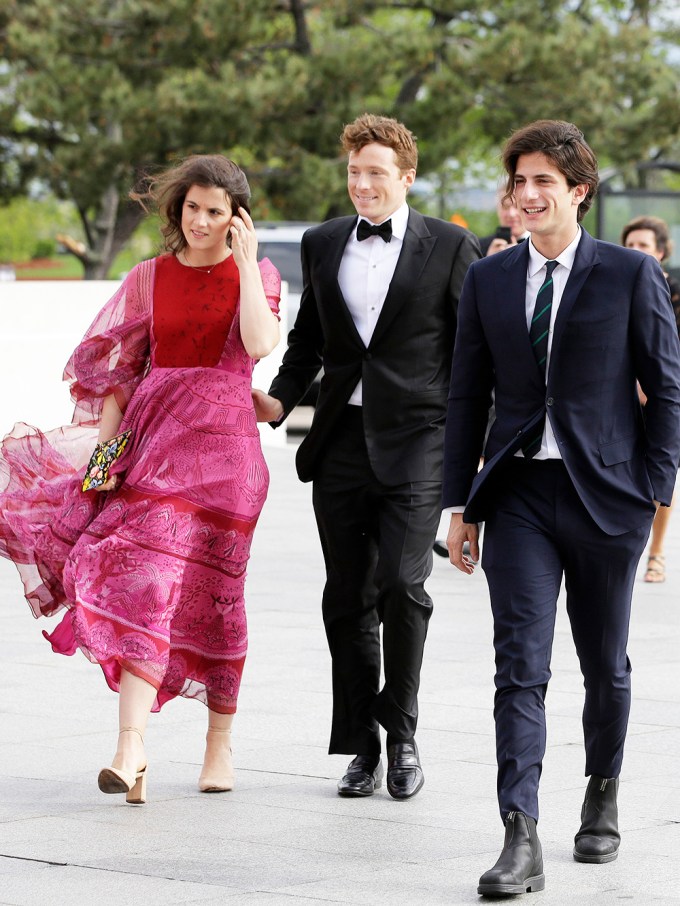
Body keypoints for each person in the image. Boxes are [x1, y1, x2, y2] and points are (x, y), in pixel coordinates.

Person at [443, 120, 680, 896]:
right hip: (517, 499)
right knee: (520, 667)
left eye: (546, 180)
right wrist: (460, 503)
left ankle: (602, 792)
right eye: (520, 181)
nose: (530, 193)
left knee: (605, 668)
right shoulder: (488, 279)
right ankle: (520, 834)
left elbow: (667, 388)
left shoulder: (627, 275)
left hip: (607, 498)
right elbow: (466, 395)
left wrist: (654, 487)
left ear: (579, 191)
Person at [0, 155, 281, 803]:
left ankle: (219, 744)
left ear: (236, 218)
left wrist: (242, 263)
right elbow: (119, 381)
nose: (202, 221)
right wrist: (101, 463)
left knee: (217, 597)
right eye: (193, 208)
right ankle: (131, 746)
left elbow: (260, 344)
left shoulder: (258, 275)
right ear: (177, 209)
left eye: (217, 211)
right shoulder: (149, 278)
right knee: (145, 584)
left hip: (229, 461)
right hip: (155, 451)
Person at [252, 113, 480, 800]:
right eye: (354, 172)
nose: (362, 184)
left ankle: (403, 732)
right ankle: (363, 743)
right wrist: (281, 400)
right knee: (346, 599)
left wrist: (475, 461)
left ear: (406, 176)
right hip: (341, 445)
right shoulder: (323, 243)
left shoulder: (449, 246)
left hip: (419, 444)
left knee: (403, 590)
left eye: (376, 172)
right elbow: (309, 340)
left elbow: (475, 354)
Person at [621, 215, 680, 583]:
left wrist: (655, 384)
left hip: (664, 396)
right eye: (629, 245)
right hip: (624, 399)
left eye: (643, 245)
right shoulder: (616, 284)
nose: (635, 252)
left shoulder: (675, 292)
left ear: (660, 251)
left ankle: (656, 552)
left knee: (662, 472)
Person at [478, 189, 529, 255]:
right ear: (497, 210)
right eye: (505, 207)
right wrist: (489, 261)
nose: (511, 214)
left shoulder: (541, 245)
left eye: (517, 206)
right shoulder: (479, 246)